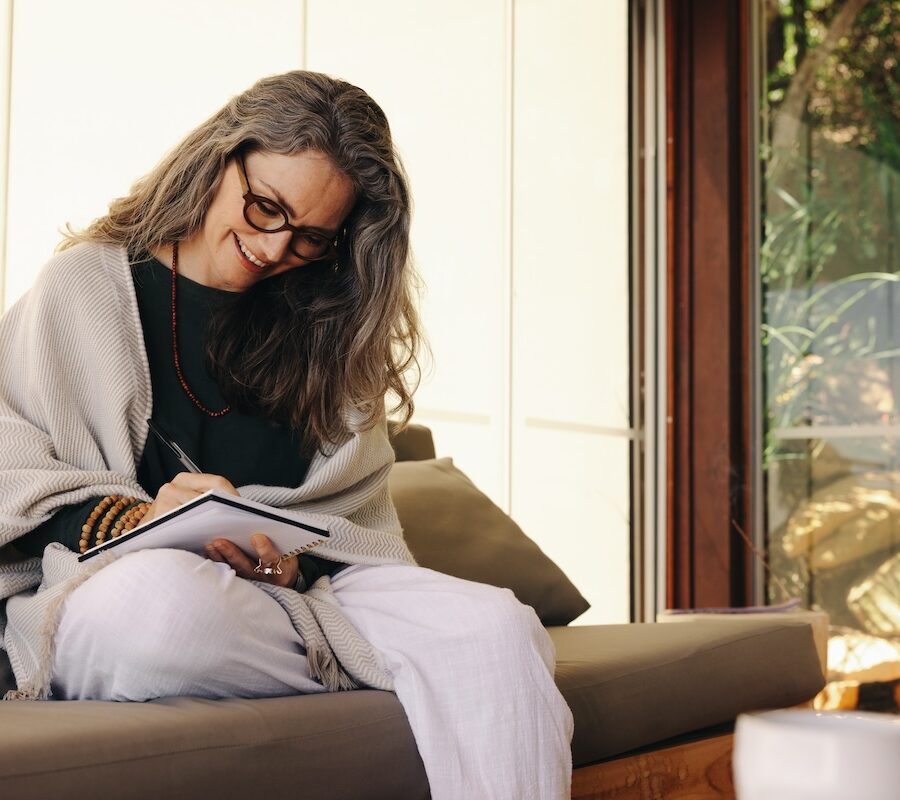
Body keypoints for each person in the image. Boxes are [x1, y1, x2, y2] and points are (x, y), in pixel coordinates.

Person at [0, 70, 573, 798]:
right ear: (218, 156)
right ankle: (382, 667)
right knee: (157, 607)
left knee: (495, 628)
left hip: (296, 604)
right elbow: (12, 466)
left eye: (310, 238)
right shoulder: (84, 285)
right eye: (265, 207)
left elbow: (346, 535)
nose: (274, 250)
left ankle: (370, 660)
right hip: (117, 592)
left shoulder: (329, 327)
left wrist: (283, 569)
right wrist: (145, 519)